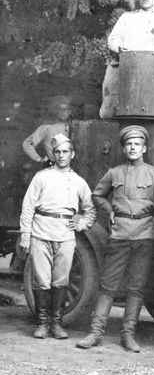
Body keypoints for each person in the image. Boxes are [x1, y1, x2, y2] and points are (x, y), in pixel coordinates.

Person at [76, 126, 154, 352]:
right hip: (119, 234)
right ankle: (96, 332)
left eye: (137, 144)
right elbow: (97, 195)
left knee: (136, 287)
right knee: (108, 285)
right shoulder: (114, 173)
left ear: (144, 148)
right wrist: (109, 210)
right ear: (124, 148)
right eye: (129, 144)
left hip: (144, 235)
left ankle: (128, 334)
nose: (133, 148)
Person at [19, 133, 97, 339]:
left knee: (60, 281)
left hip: (65, 235)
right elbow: (28, 207)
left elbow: (91, 210)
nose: (61, 155)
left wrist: (81, 223)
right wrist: (26, 235)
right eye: (58, 152)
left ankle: (56, 324)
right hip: (41, 232)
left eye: (65, 152)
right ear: (53, 155)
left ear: (73, 154)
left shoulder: (78, 182)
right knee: (41, 281)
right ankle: (42, 324)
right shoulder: (41, 177)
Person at [101, 0, 154, 119]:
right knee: (114, 111)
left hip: (152, 71)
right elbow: (112, 40)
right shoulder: (127, 18)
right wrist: (119, 47)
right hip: (126, 69)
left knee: (150, 109)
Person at [22, 96, 72, 164]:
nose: (62, 112)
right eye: (59, 109)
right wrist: (38, 159)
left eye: (65, 109)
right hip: (54, 166)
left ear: (70, 111)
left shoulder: (74, 127)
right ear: (55, 111)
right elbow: (27, 144)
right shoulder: (46, 127)